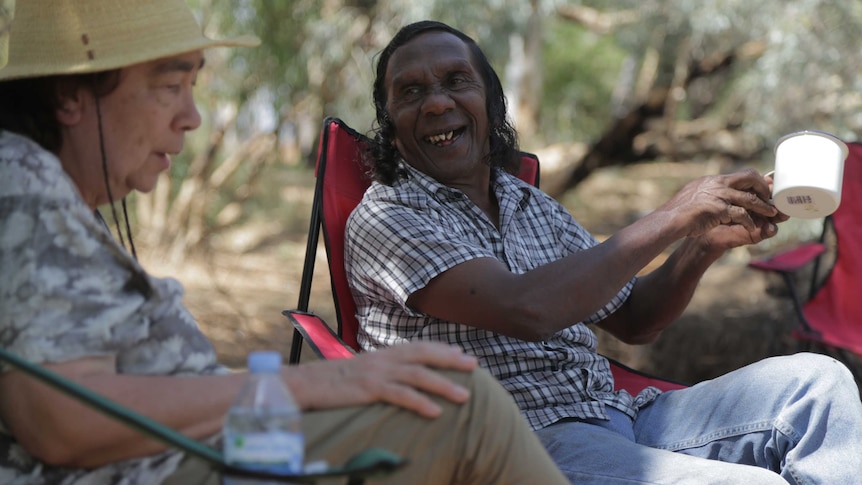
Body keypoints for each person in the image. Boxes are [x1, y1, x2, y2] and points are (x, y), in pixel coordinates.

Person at [0, 4, 571, 485]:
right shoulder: (21, 182)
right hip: (174, 467)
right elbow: (64, 419)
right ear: (72, 95)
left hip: (198, 451)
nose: (192, 117)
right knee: (462, 407)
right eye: (169, 86)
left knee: (453, 398)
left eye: (192, 87)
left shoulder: (49, 194)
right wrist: (321, 381)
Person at [345, 19, 862, 484]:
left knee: (818, 388)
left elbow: (635, 318)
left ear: (492, 102)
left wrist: (701, 244)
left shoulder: (528, 203)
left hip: (616, 418)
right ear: (390, 123)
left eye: (457, 81)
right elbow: (526, 309)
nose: (436, 103)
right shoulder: (388, 216)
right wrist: (670, 215)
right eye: (410, 92)